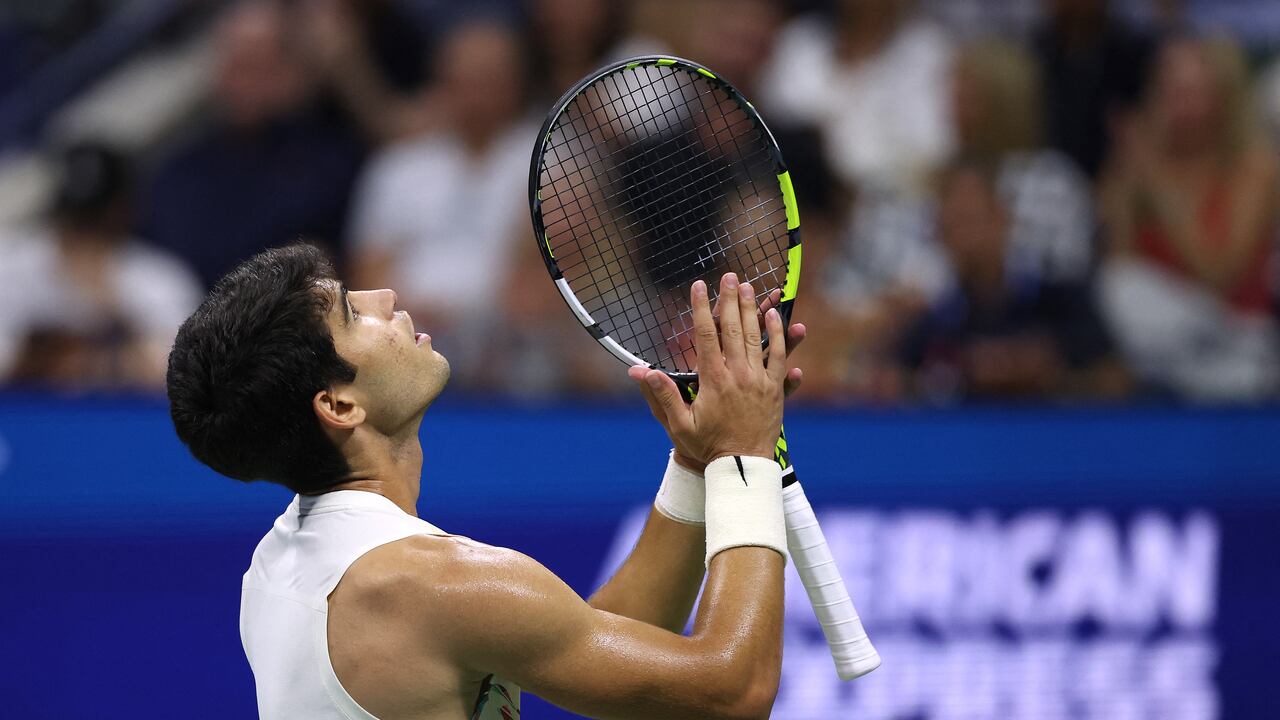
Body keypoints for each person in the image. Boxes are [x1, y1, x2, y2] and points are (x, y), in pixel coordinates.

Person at [165, 243, 807, 718]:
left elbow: (571, 637)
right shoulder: (431, 584)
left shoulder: (280, 564)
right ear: (338, 407)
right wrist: (743, 457)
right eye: (350, 313)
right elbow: (732, 690)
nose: (385, 299)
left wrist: (697, 466)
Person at [1098, 36, 1279, 400]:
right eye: (1170, 93)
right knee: (1117, 288)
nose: (1179, 107)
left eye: (1193, 94)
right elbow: (1118, 262)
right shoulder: (1145, 165)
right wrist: (1127, 182)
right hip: (1161, 343)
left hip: (1236, 333)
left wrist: (1160, 189)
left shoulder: (1256, 167)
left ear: (1224, 99)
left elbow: (1222, 273)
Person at [143, 0, 365, 289]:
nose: (240, 82)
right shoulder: (178, 173)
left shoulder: (331, 164)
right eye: (232, 63)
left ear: (294, 72)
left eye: (255, 66)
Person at [0, 142, 202, 388]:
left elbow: (188, 377)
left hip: (122, 423)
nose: (84, 238)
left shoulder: (159, 278)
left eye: (94, 222)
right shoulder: (11, 265)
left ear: (122, 212)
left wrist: (111, 312)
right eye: (76, 221)